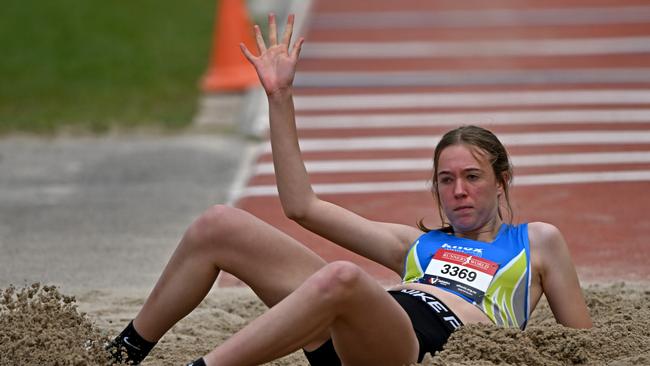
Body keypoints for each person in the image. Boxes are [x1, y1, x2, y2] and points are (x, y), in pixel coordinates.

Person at [107, 13, 592, 366]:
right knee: (219, 224)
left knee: (341, 277)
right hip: (358, 334)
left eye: (472, 177)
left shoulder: (538, 241)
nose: (458, 191)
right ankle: (122, 353)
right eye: (446, 180)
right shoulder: (415, 244)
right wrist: (280, 97)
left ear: (501, 181)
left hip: (419, 348)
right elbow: (302, 206)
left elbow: (583, 344)